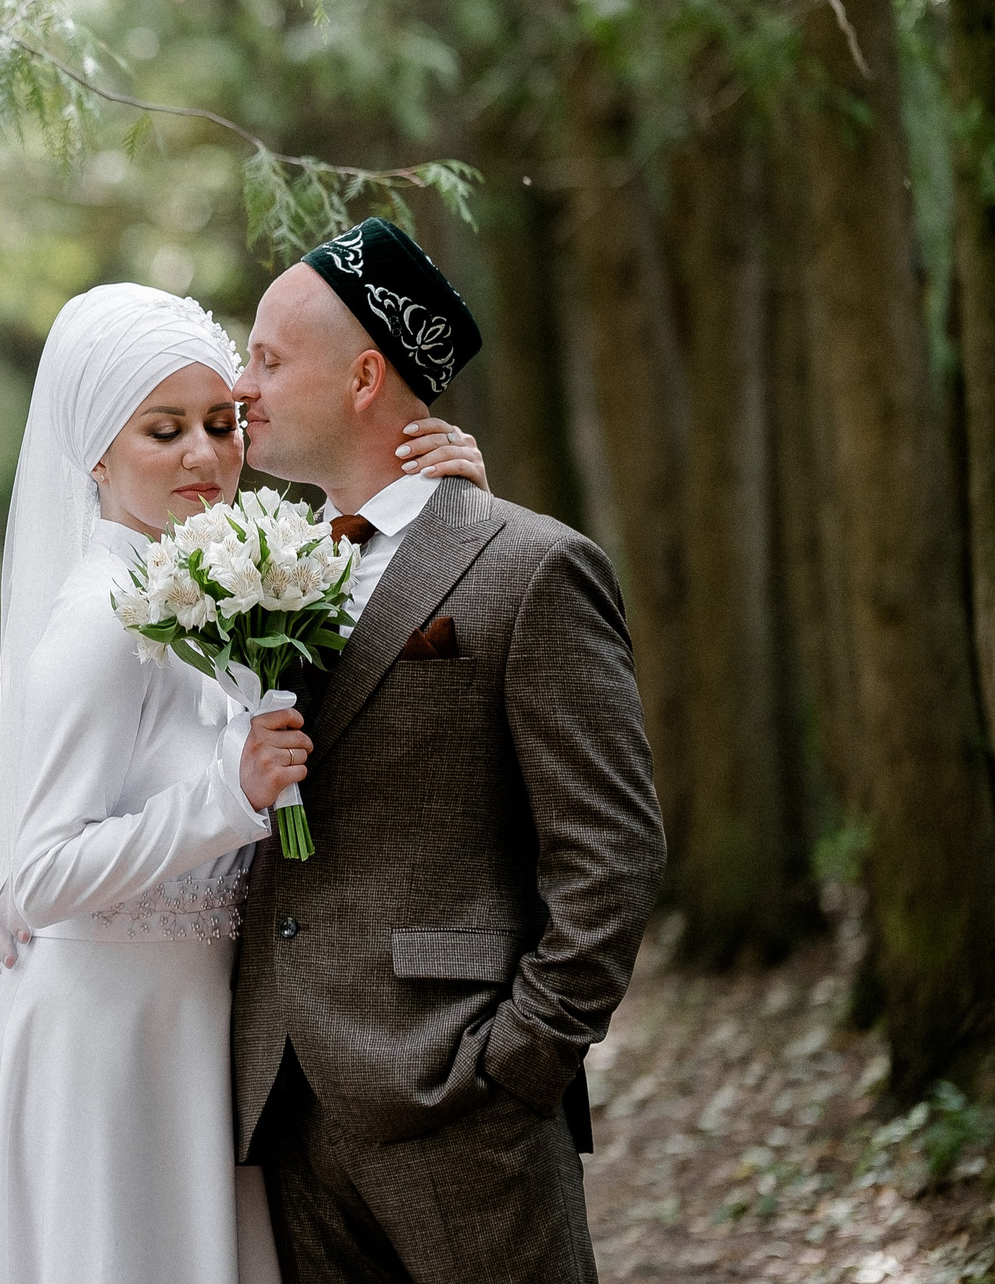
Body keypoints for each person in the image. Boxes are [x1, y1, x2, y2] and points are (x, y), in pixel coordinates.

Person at [0, 282, 487, 1284]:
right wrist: (229, 795)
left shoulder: (207, 588)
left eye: (221, 423)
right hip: (108, 1045)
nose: (203, 456)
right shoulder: (100, 622)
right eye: (163, 431)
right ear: (96, 450)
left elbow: (408, 650)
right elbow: (38, 874)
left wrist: (454, 507)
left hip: (197, 1036)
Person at [229, 217, 664, 1284]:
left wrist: (516, 1064)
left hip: (461, 1100)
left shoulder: (532, 568)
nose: (242, 386)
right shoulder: (250, 568)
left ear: (366, 376)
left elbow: (610, 854)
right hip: (280, 1106)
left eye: (269, 360)